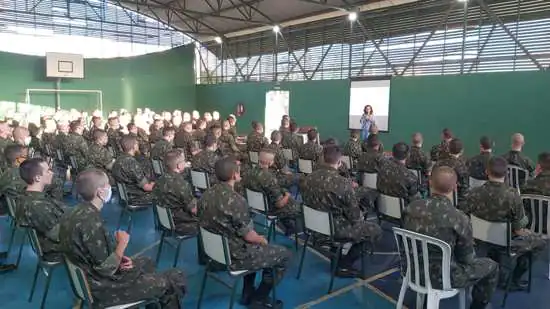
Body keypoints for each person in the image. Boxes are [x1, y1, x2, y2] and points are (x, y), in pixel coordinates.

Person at [59, 169, 186, 308]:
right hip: (103, 289)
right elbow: (106, 269)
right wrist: (122, 244)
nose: (110, 187)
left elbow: (92, 255)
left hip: (89, 279)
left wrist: (119, 260)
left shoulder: (72, 212)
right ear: (100, 192)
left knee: (147, 262)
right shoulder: (91, 222)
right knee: (175, 278)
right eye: (107, 185)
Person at [198, 157, 291, 309]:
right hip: (234, 256)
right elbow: (249, 236)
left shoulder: (205, 195)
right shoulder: (236, 200)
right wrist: (262, 240)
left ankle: (247, 292)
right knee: (284, 255)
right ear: (235, 175)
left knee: (253, 245)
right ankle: (259, 298)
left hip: (214, 253)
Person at [403, 166, 499, 309]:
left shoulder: (410, 208)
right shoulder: (459, 218)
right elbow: (467, 260)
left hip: (412, 270)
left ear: (430, 182)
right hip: (445, 278)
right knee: (492, 266)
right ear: (455, 187)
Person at [459, 157, 547, 290]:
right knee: (539, 243)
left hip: (479, 239)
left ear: (486, 172)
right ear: (506, 174)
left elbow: (463, 216)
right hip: (506, 243)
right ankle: (514, 279)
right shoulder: (512, 195)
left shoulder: (473, 193)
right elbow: (519, 229)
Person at [301, 145, 382, 277]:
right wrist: (363, 208)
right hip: (334, 230)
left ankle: (337, 256)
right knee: (375, 231)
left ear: (322, 158)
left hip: (313, 228)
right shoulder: (343, 183)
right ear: (339, 162)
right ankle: (344, 265)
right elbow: (355, 218)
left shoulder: (308, 178)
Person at [242, 149, 300, 234]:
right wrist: (287, 195)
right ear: (270, 163)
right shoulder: (269, 177)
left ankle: (288, 226)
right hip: (269, 209)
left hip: (254, 206)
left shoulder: (248, 172)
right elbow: (279, 204)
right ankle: (290, 228)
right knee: (296, 207)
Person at [19, 158, 67, 261]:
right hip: (55, 250)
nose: (51, 173)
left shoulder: (28, 195)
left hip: (51, 240)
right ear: (37, 178)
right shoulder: (38, 206)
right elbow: (59, 236)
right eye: (48, 170)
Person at [154, 150, 198, 236]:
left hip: (165, 221)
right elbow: (194, 210)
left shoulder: (159, 180)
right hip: (181, 224)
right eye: (183, 161)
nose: (185, 163)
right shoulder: (181, 184)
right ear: (179, 165)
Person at [111, 135, 155, 204]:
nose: (138, 145)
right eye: (137, 143)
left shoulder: (118, 159)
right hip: (137, 196)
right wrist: (156, 184)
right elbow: (147, 187)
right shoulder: (131, 163)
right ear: (134, 146)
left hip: (126, 195)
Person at [433, 138, 469, 203]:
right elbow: (464, 190)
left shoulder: (438, 163)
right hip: (454, 201)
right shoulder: (462, 168)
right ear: (461, 151)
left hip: (436, 198)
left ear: (448, 149)